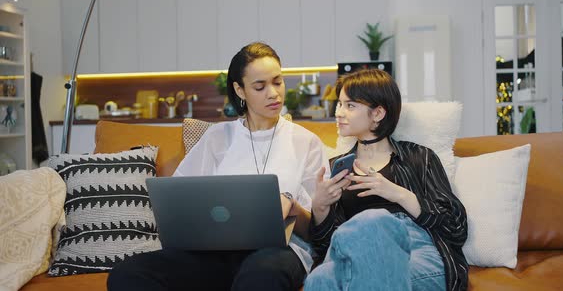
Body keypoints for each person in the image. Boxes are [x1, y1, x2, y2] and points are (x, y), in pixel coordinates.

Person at [107, 42, 330, 291]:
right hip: (215, 253)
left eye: (278, 82)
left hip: (279, 253)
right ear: (240, 90)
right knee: (128, 274)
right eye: (260, 86)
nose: (273, 93)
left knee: (260, 276)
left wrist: (292, 207)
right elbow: (180, 200)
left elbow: (319, 235)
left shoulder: (306, 142)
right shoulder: (217, 138)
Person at [305, 69, 468, 291]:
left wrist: (398, 193)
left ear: (378, 113)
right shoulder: (336, 168)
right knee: (318, 279)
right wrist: (320, 206)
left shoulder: (420, 157)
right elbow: (326, 246)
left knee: (374, 221)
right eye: (340, 104)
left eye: (350, 105)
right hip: (354, 250)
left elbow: (456, 227)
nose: (339, 113)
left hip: (416, 250)